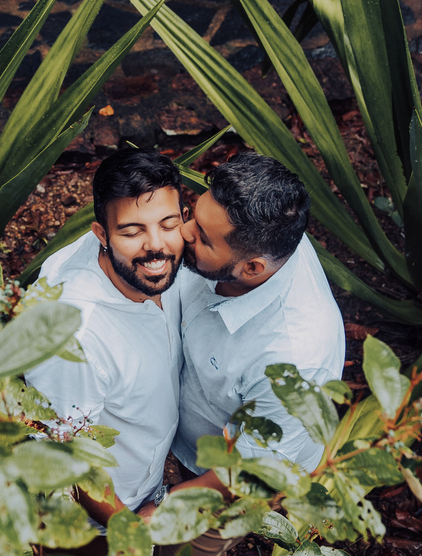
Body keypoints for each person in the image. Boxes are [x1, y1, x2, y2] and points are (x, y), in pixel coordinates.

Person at [138, 152, 346, 555]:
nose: (182, 233)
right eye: (192, 216)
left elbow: (249, 471)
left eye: (201, 237)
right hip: (200, 428)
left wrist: (160, 509)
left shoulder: (295, 359)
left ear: (252, 269)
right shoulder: (262, 237)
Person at [25, 148, 191, 549]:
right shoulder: (74, 337)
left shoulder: (169, 261)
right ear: (101, 234)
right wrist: (130, 535)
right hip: (98, 523)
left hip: (147, 482)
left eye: (168, 223)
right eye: (132, 232)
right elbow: (69, 463)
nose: (157, 247)